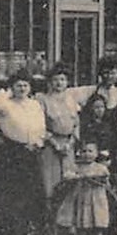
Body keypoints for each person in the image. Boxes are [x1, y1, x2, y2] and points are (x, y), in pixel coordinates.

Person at [0, 72, 48, 235]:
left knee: (29, 197)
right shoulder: (5, 105)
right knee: (9, 198)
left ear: (30, 88)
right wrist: (4, 93)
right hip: (10, 154)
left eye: (25, 85)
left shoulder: (35, 105)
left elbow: (41, 127)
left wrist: (37, 143)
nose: (22, 89)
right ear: (12, 88)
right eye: (18, 85)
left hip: (30, 153)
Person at [55, 140, 114, 235]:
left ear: (97, 153)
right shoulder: (77, 167)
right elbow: (67, 176)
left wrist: (96, 178)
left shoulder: (100, 168)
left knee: (98, 227)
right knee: (81, 228)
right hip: (83, 201)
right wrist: (75, 177)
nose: (87, 154)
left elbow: (105, 180)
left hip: (97, 201)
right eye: (84, 151)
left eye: (90, 151)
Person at [37, 66, 81, 200]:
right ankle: (51, 217)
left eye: (62, 79)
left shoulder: (71, 99)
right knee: (51, 182)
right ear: (49, 82)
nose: (59, 83)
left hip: (68, 146)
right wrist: (55, 144)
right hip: (51, 146)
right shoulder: (43, 99)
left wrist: (70, 143)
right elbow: (40, 126)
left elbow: (76, 124)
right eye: (55, 80)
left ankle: (66, 218)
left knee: (69, 180)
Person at [78, 91, 117, 176]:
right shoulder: (87, 125)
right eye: (96, 107)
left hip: (110, 157)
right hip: (93, 158)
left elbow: (114, 142)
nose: (99, 110)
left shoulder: (109, 123)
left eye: (102, 107)